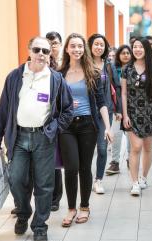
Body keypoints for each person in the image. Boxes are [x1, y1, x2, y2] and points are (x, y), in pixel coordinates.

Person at [0, 36, 73, 241]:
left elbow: (68, 110)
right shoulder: (15, 77)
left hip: (43, 138)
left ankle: (39, 226)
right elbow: (2, 110)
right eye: (37, 50)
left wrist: (53, 128)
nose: (41, 55)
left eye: (46, 51)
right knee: (16, 179)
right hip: (18, 137)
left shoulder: (55, 79)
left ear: (50, 54)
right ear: (29, 50)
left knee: (45, 185)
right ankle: (23, 213)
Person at [58, 33, 113, 227]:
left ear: (85, 49)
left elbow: (101, 102)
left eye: (80, 46)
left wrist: (107, 127)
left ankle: (84, 206)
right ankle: (71, 208)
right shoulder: (60, 73)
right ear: (67, 49)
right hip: (66, 126)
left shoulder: (92, 72)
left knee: (84, 167)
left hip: (88, 125)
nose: (77, 49)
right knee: (71, 168)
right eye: (73, 46)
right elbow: (54, 102)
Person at [121, 37, 152, 196]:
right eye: (135, 47)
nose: (137, 49)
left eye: (140, 47)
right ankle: (134, 183)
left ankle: (143, 178)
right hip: (132, 112)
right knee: (136, 147)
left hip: (150, 112)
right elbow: (124, 93)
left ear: (146, 49)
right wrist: (125, 115)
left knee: (147, 148)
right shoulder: (127, 69)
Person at [87, 33, 121, 194]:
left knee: (102, 148)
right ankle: (85, 178)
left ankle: (98, 180)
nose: (99, 47)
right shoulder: (84, 64)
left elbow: (117, 86)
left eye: (102, 44)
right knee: (86, 150)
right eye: (96, 44)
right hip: (86, 113)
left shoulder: (108, 65)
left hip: (104, 112)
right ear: (90, 45)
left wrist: (119, 109)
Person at [45, 31, 64, 212]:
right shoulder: (41, 63)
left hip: (58, 118)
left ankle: (55, 198)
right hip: (42, 117)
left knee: (56, 161)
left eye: (55, 43)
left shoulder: (63, 66)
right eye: (49, 43)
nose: (52, 47)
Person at [106, 44, 132, 175]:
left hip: (132, 105)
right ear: (118, 55)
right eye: (123, 53)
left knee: (130, 134)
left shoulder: (135, 68)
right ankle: (115, 162)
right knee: (116, 134)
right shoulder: (111, 67)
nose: (126, 55)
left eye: (128, 53)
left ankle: (130, 159)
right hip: (116, 104)